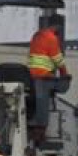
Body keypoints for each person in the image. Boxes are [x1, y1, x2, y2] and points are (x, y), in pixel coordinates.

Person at [26, 14, 67, 144]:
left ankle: (33, 122)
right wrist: (64, 74)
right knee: (43, 101)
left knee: (37, 100)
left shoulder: (36, 36)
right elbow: (57, 59)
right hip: (43, 76)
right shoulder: (52, 38)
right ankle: (41, 128)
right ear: (57, 26)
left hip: (32, 76)